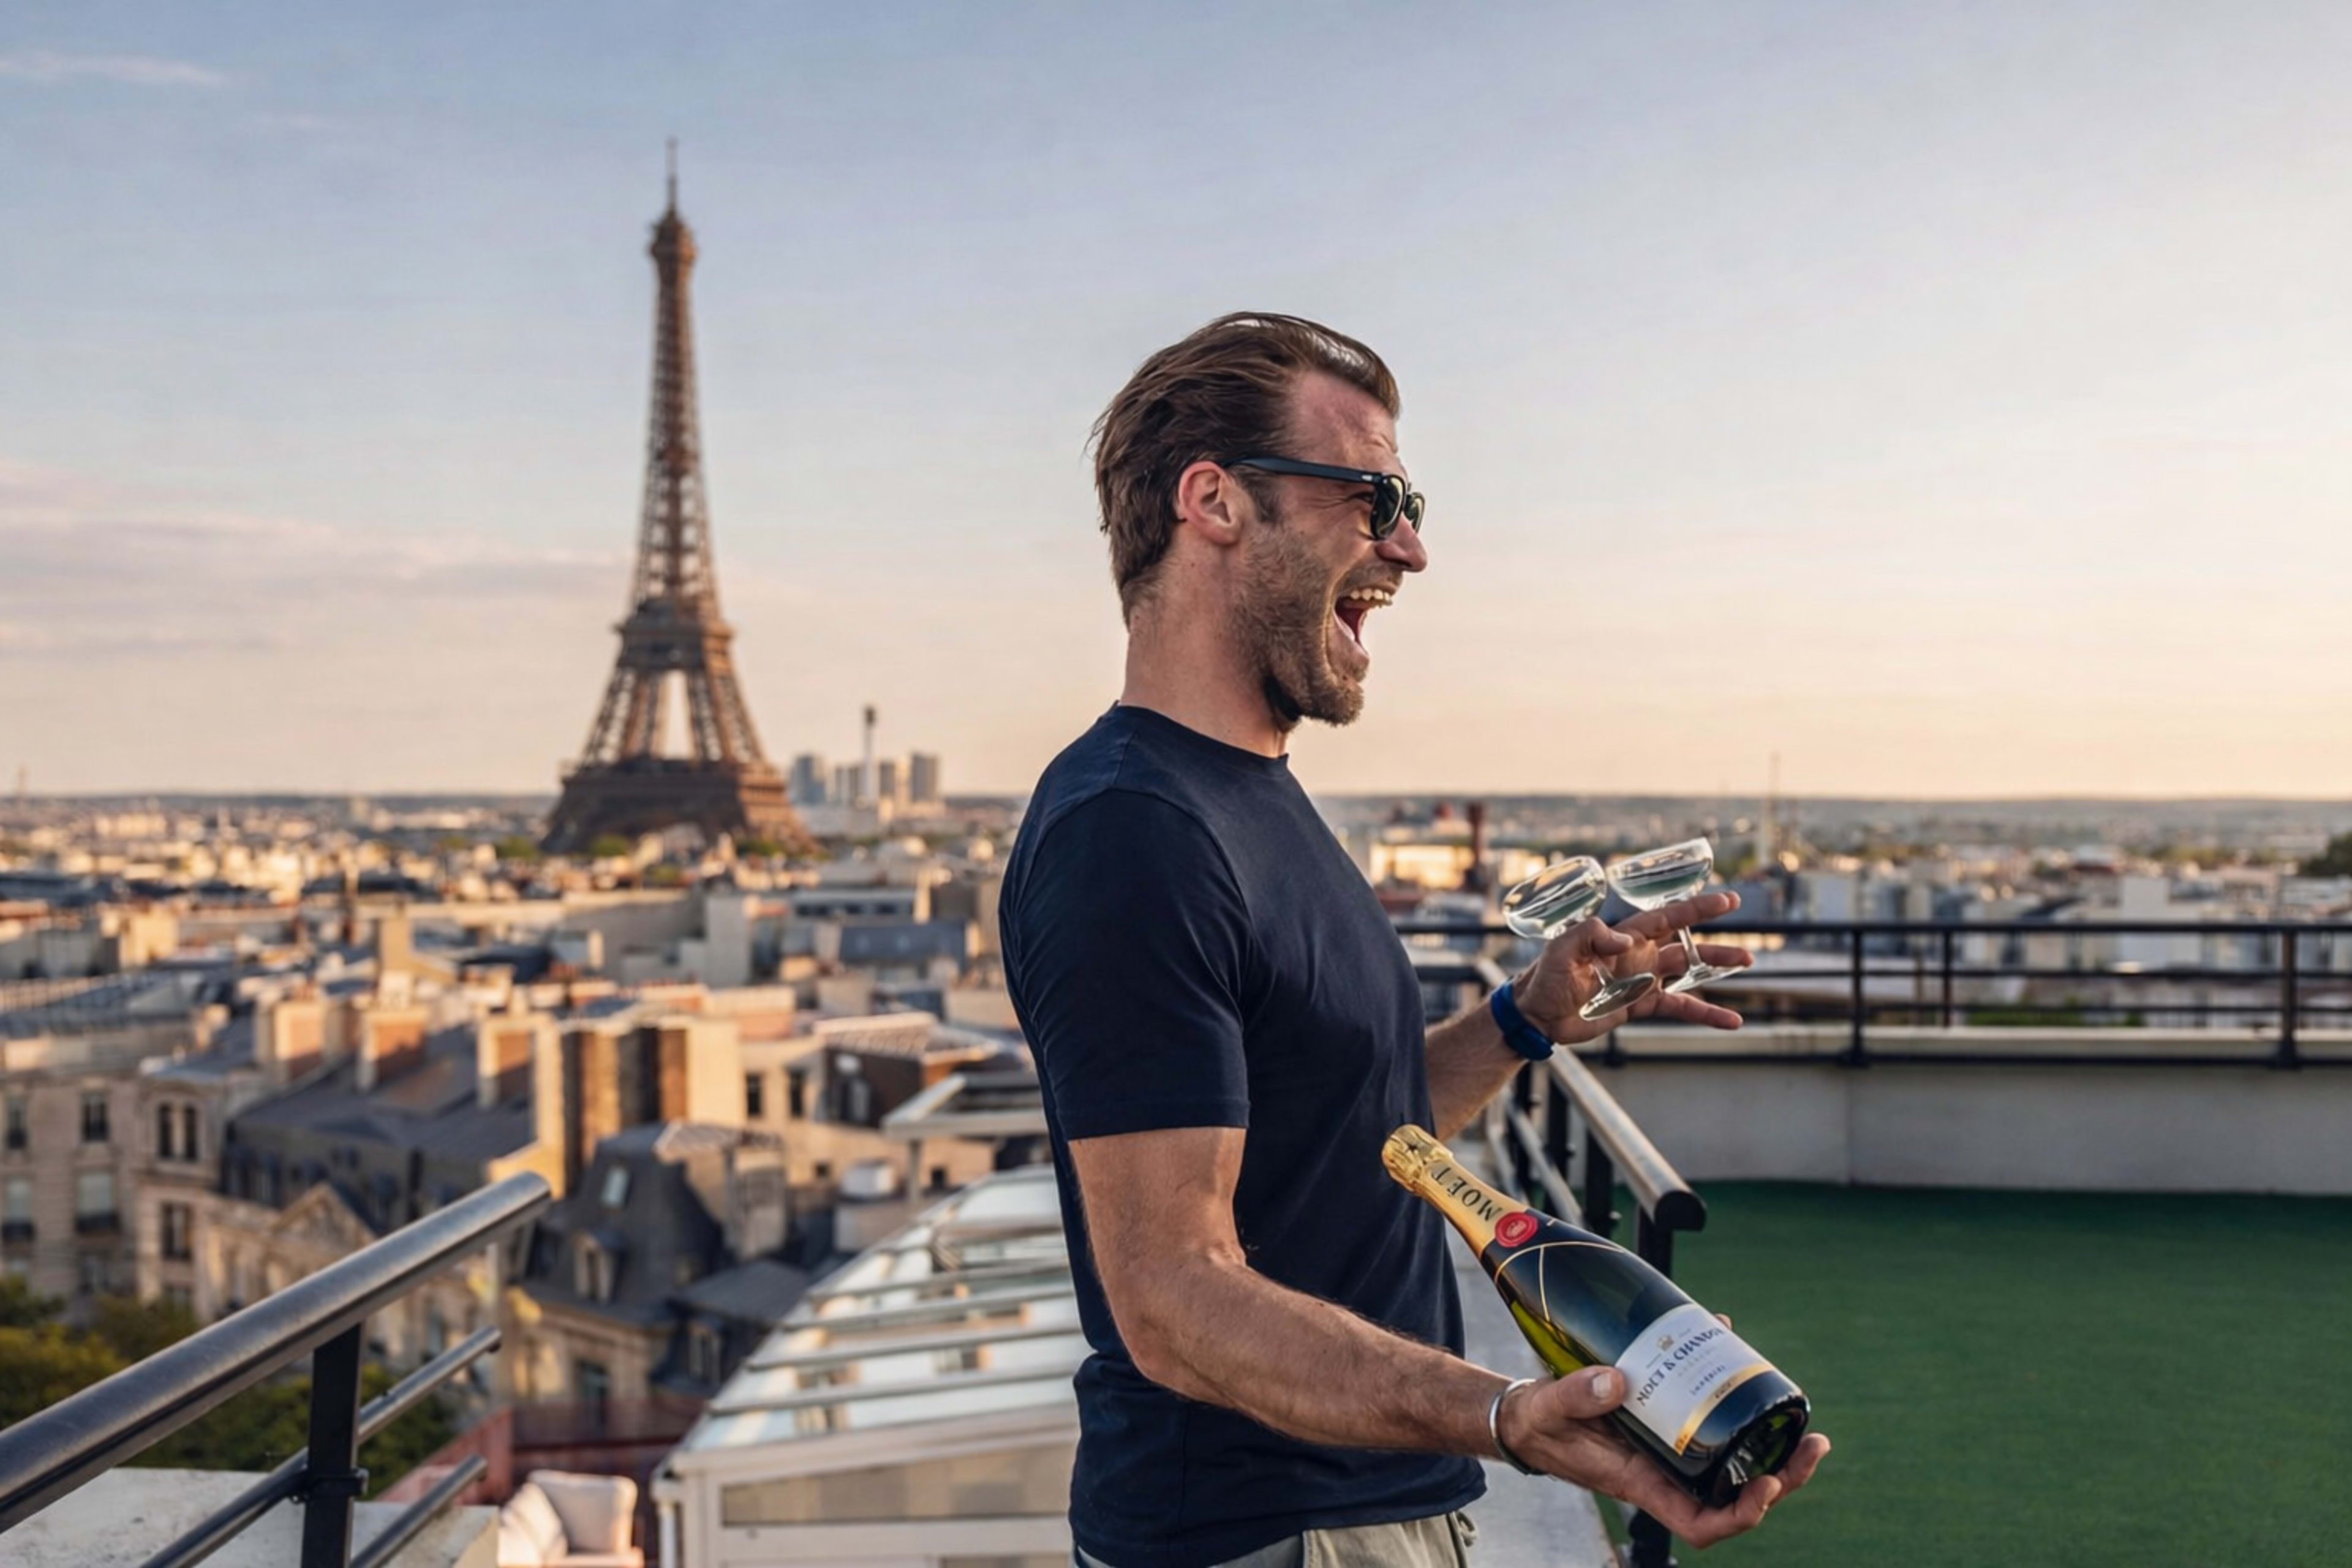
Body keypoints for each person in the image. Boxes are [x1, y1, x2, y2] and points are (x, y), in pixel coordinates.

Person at [999, 313, 1829, 1568]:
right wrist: (1501, 1414)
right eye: (1377, 496)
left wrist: (1524, 1018)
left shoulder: (1250, 797)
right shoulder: (1131, 830)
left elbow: (1363, 1132)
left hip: (1361, 1509)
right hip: (1252, 1533)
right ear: (1216, 501)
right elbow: (1171, 1297)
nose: (1412, 547)